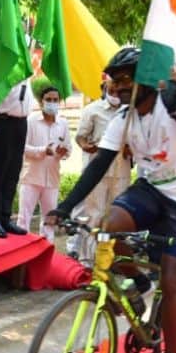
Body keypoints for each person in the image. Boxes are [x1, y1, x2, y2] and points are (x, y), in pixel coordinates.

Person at [47, 46, 176, 353]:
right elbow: (98, 166)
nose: (120, 86)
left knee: (173, 280)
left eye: (127, 79)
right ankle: (136, 284)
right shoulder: (122, 118)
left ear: (145, 79)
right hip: (154, 191)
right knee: (105, 229)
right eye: (115, 81)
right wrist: (65, 207)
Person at [68, 80, 131, 260]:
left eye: (118, 91)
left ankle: (110, 261)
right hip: (97, 172)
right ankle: (87, 260)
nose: (115, 95)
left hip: (121, 172)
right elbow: (80, 137)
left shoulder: (130, 112)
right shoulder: (92, 110)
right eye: (112, 90)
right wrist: (86, 145)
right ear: (105, 89)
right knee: (93, 216)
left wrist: (131, 149)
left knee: (116, 219)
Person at [0, 45, 31, 238]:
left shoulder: (23, 58)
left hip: (21, 122)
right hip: (2, 121)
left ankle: (5, 217)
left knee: (13, 171)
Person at [18, 86, 71, 240]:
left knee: (49, 221)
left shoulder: (63, 123)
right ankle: (22, 255)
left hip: (52, 179)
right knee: (23, 220)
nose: (52, 103)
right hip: (31, 178)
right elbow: (22, 148)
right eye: (48, 99)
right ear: (41, 102)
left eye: (55, 100)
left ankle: (46, 253)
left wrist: (63, 152)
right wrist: (43, 151)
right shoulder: (31, 120)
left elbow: (68, 149)